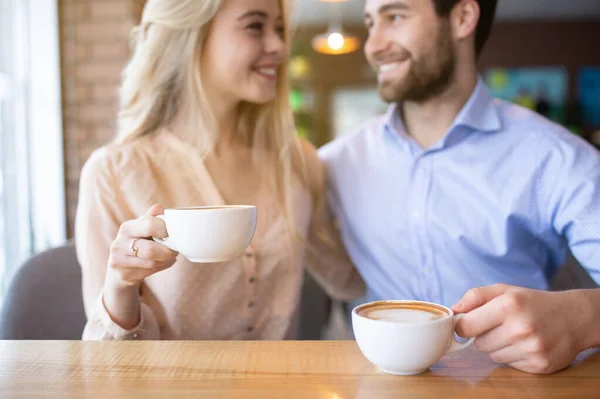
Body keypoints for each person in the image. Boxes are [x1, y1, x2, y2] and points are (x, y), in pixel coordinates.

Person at [319, 0, 600, 374]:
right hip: (384, 386)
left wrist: (584, 316)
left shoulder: (557, 158)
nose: (373, 45)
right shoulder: (335, 163)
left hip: (513, 386)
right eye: (371, 23)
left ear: (463, 17)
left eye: (395, 17)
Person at [76, 0, 363, 341]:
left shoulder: (297, 162)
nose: (279, 46)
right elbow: (105, 360)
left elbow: (348, 280)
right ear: (190, 35)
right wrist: (120, 284)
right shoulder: (113, 172)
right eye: (255, 26)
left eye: (280, 29)